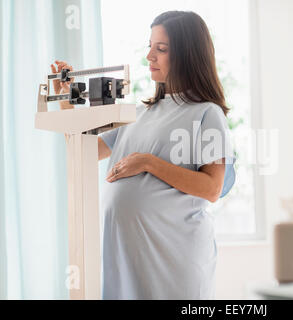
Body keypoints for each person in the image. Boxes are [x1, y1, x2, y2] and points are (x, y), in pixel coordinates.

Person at [50, 10, 236, 299]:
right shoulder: (137, 113)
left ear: (187, 55)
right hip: (126, 257)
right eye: (150, 46)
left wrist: (148, 163)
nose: (150, 56)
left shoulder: (206, 113)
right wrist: (65, 98)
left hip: (175, 259)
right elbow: (82, 152)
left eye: (161, 49)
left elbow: (212, 188)